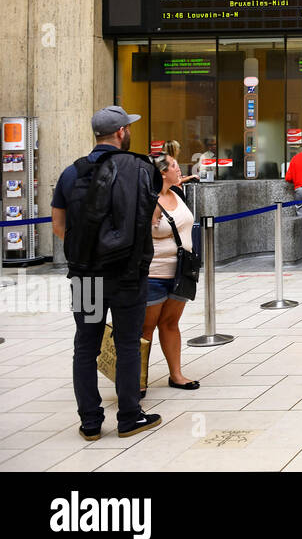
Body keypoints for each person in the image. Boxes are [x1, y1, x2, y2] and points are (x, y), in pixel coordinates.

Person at [50, 106, 163, 440]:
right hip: (127, 275)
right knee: (127, 343)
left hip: (85, 276)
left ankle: (90, 423)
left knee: (85, 347)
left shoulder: (72, 173)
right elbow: (149, 219)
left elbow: (60, 227)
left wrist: (89, 252)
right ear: (121, 133)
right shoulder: (139, 168)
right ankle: (129, 417)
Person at [143, 154, 199, 392]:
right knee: (145, 328)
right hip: (154, 273)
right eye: (175, 166)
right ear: (162, 173)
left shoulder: (177, 193)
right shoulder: (148, 200)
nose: (179, 169)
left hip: (181, 272)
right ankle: (137, 380)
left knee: (170, 323)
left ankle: (176, 374)